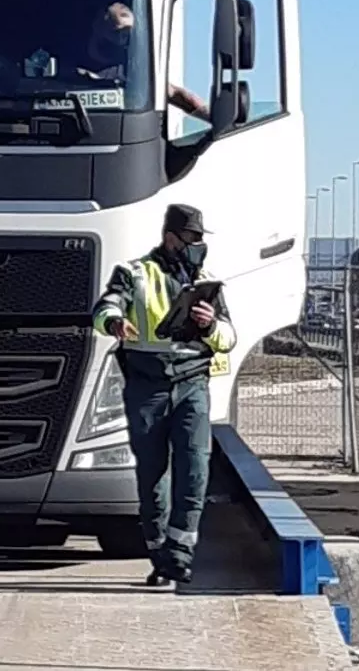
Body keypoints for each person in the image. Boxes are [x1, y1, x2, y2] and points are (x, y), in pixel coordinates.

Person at [91, 203, 235, 585]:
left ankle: (180, 554)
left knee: (195, 468)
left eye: (201, 239)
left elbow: (228, 337)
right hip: (147, 387)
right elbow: (105, 307)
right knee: (153, 473)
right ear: (171, 238)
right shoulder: (134, 273)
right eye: (191, 238)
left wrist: (210, 326)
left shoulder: (208, 283)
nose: (198, 246)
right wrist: (114, 321)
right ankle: (159, 554)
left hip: (192, 384)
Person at [82, 2, 209, 120]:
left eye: (130, 32)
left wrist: (212, 116)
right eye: (119, 32)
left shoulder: (131, 70)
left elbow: (175, 94)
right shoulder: (73, 64)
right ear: (98, 24)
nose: (126, 39)